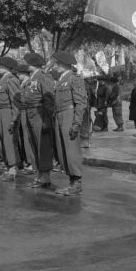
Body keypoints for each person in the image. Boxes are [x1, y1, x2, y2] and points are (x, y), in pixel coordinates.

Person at [51, 50, 87, 195]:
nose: (56, 65)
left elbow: (80, 102)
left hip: (69, 115)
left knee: (72, 150)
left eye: (58, 63)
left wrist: (76, 123)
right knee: (62, 150)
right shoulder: (61, 79)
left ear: (65, 63)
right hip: (60, 116)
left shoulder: (74, 78)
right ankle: (72, 182)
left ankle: (77, 183)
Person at [22, 53, 56, 188]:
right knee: (34, 144)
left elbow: (48, 99)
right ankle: (40, 174)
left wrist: (47, 119)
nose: (25, 65)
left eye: (27, 62)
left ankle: (45, 176)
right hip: (31, 112)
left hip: (40, 113)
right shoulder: (32, 78)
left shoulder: (43, 76)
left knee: (43, 145)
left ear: (33, 63)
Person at [0, 56, 21, 181]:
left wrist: (13, 118)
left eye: (0, 65)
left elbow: (15, 101)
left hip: (7, 112)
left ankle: (12, 170)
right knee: (0, 141)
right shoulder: (2, 80)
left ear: (6, 66)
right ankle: (7, 167)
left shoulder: (11, 79)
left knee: (8, 141)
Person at [14, 63, 36, 173]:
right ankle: (28, 161)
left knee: (28, 138)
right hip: (22, 112)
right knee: (24, 137)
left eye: (19, 72)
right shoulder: (23, 84)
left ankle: (32, 163)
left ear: (24, 73)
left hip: (27, 111)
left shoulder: (30, 83)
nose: (17, 74)